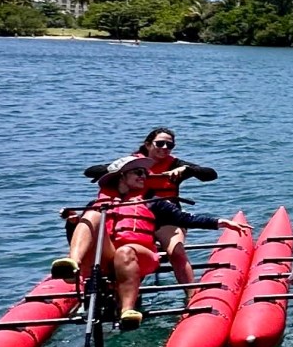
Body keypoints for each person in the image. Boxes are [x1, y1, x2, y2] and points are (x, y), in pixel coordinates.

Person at [82, 128, 223, 286]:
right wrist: (120, 169)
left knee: (176, 252)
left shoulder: (176, 165)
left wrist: (189, 170)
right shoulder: (131, 164)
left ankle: (191, 295)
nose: (165, 148)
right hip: (134, 216)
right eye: (160, 143)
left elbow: (210, 174)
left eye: (169, 145)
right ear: (148, 144)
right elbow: (90, 172)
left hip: (166, 218)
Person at [64, 156, 166, 327]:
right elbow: (76, 238)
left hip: (139, 256)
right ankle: (73, 265)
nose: (144, 176)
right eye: (138, 172)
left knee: (125, 251)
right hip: (107, 256)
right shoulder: (99, 204)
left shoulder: (152, 202)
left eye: (145, 173)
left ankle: (128, 310)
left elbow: (184, 219)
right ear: (121, 177)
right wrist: (71, 223)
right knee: (92, 215)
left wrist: (217, 223)